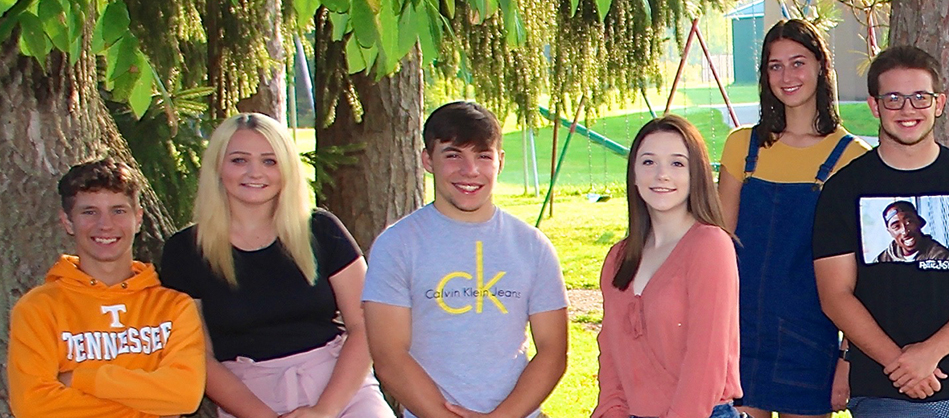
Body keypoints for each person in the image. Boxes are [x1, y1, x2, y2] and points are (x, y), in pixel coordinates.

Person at [811, 45, 949, 417]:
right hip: (884, 389)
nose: (908, 110)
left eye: (920, 97)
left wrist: (929, 353)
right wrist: (901, 364)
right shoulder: (842, 190)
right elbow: (836, 295)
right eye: (894, 98)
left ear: (939, 103)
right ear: (874, 106)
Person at [157, 113, 394, 418]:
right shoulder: (185, 251)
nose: (255, 173)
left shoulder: (321, 229)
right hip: (248, 396)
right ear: (217, 166)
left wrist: (324, 410)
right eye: (239, 160)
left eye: (269, 161)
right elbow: (199, 356)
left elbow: (365, 326)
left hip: (339, 386)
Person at [362, 101, 569, 418]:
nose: (470, 170)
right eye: (453, 155)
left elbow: (553, 350)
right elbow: (389, 355)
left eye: (483, 156)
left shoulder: (532, 246)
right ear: (428, 160)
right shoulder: (397, 245)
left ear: (499, 161)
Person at [717, 18, 867, 418]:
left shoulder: (853, 159)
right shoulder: (741, 146)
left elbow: (863, 277)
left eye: (798, 62)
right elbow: (715, 250)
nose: (787, 76)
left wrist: (847, 359)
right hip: (738, 331)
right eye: (775, 65)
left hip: (811, 337)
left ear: (821, 66)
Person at [7, 159, 207, 417]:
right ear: (67, 222)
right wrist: (148, 406)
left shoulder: (174, 308)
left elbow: (185, 396)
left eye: (118, 211)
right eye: (89, 212)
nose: (105, 225)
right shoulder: (38, 308)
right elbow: (33, 406)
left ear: (138, 219)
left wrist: (81, 379)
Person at [593, 115, 745, 418]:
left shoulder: (709, 246)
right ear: (633, 173)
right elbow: (611, 361)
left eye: (677, 164)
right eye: (649, 162)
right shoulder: (618, 258)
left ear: (696, 174)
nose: (662, 175)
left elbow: (705, 365)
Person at [872, 201, 949, 263]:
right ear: (890, 232)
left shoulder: (940, 257)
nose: (905, 231)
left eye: (909, 222)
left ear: (919, 222)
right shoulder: (882, 260)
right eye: (896, 227)